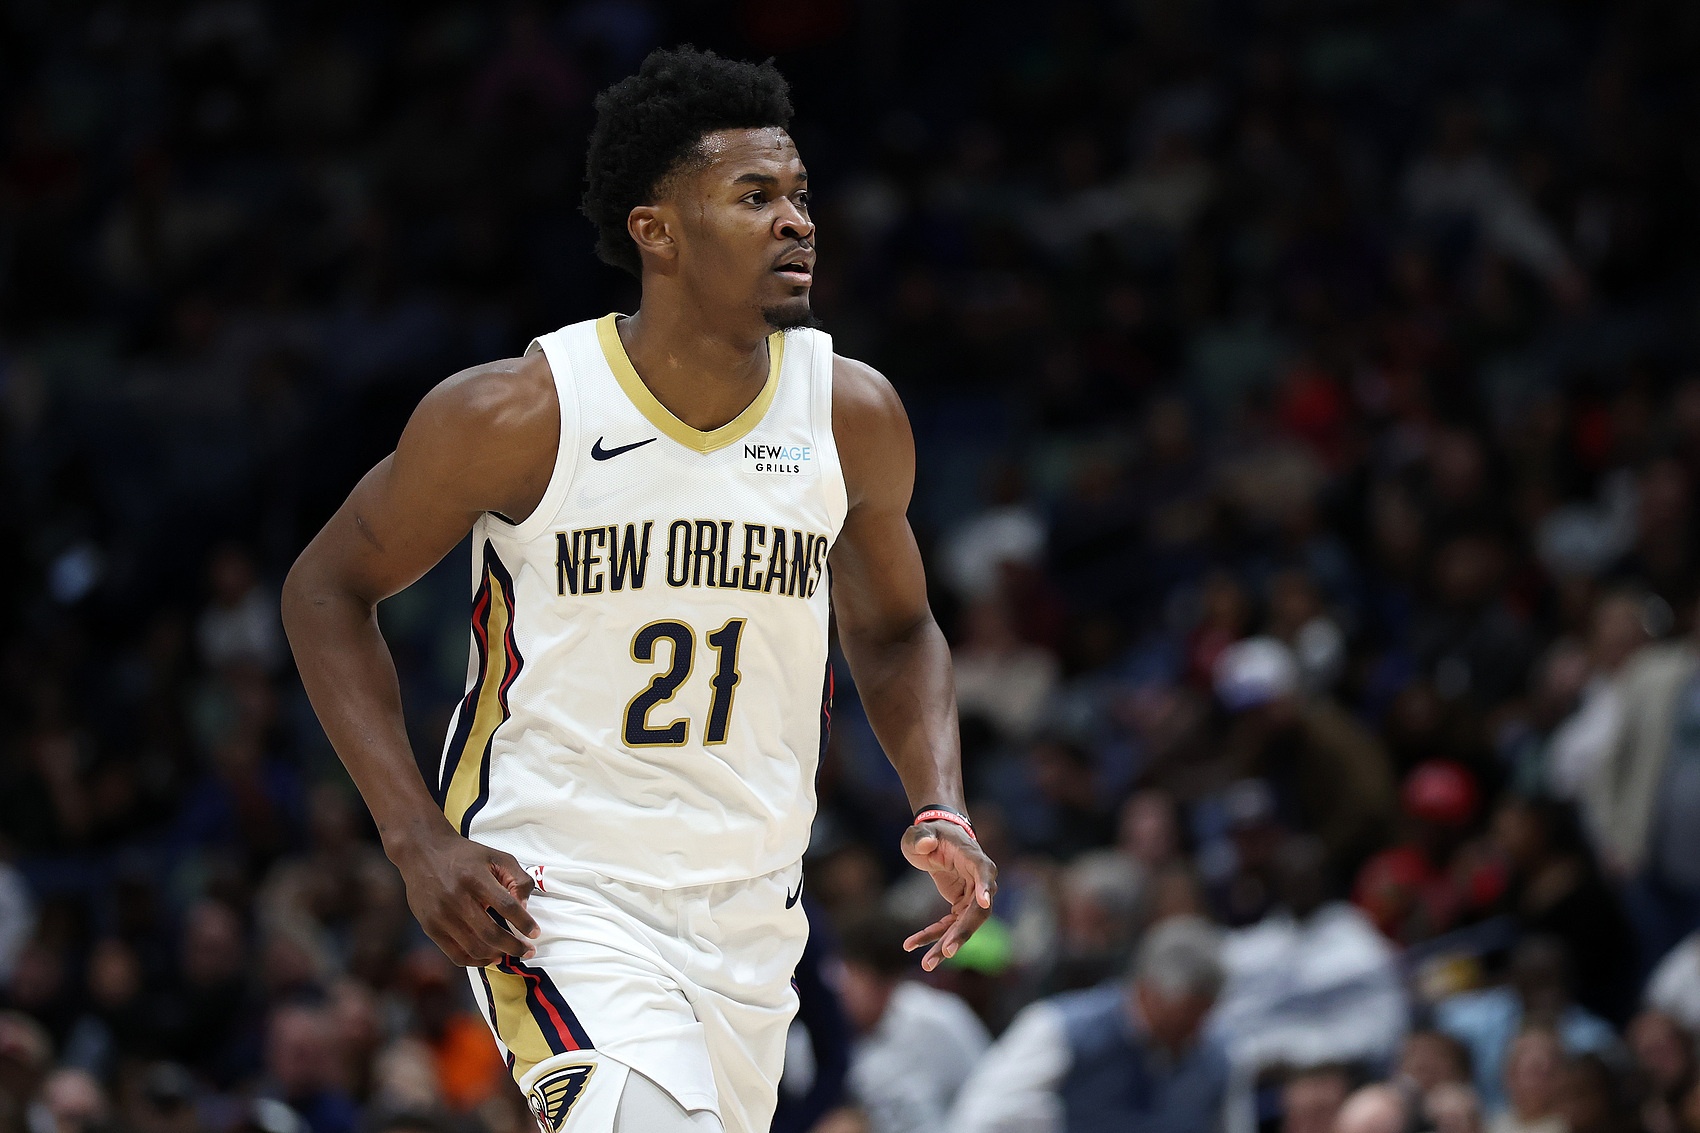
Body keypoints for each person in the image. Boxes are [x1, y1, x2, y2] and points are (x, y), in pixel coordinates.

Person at [281, 47, 997, 1133]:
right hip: (558, 894)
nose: (797, 221)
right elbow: (325, 589)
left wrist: (938, 799)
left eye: (800, 195)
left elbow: (897, 630)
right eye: (753, 196)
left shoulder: (849, 413)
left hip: (755, 912)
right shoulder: (521, 413)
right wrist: (414, 837)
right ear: (656, 229)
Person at [949, 915, 1230, 1133]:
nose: (1195, 1030)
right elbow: (981, 1119)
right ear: (1148, 990)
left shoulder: (1213, 1059)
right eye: (1184, 1016)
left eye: (1203, 1017)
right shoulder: (1061, 1028)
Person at [835, 911, 989, 1133]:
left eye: (850, 974)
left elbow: (990, 1087)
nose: (839, 989)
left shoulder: (937, 1018)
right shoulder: (829, 1033)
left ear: (881, 981)